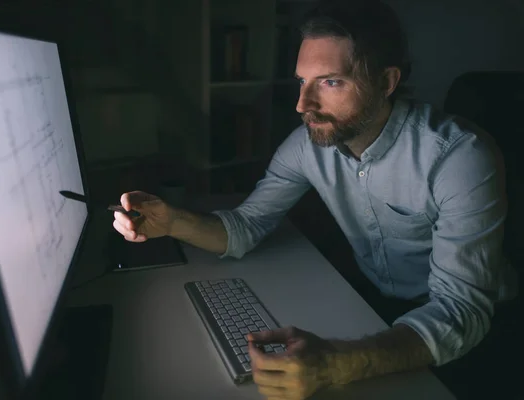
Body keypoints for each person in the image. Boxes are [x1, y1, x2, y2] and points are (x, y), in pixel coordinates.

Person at [113, 1, 518, 398]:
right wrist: (171, 222)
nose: (302, 105)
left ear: (386, 81)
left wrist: (338, 364)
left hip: (478, 327)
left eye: (330, 82)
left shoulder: (459, 156)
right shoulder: (307, 144)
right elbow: (247, 226)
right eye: (301, 82)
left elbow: (461, 311)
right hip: (379, 302)